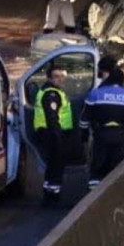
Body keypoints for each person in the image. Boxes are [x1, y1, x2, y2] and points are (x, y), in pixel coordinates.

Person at [79, 55, 124, 189]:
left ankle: (92, 199)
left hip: (101, 135)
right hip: (120, 135)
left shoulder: (95, 94)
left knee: (97, 169)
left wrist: (84, 136)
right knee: (117, 170)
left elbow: (84, 120)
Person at [33, 66, 74, 205]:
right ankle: (53, 197)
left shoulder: (52, 92)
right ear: (49, 78)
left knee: (52, 166)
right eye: (56, 76)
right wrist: (58, 139)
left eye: (62, 76)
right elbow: (52, 118)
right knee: (56, 166)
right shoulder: (51, 94)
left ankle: (49, 193)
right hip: (52, 134)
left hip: (51, 133)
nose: (60, 79)